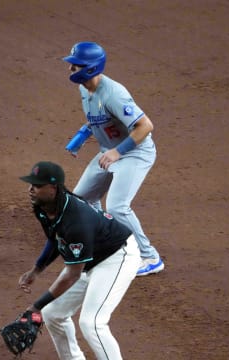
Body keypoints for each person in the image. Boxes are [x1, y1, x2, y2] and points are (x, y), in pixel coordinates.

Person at [18, 161, 141, 360]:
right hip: (91, 258)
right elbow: (55, 237)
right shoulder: (42, 207)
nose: (31, 190)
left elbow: (72, 274)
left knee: (92, 323)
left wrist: (36, 306)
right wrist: (37, 269)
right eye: (30, 184)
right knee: (53, 314)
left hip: (117, 257)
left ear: (53, 188)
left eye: (37, 185)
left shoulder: (76, 221)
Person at [63, 41, 164, 276]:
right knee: (82, 200)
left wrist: (117, 152)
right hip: (110, 150)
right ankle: (105, 240)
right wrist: (80, 137)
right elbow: (97, 118)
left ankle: (150, 257)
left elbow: (145, 126)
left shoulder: (113, 94)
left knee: (118, 206)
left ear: (89, 68)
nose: (70, 70)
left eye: (75, 66)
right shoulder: (84, 88)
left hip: (134, 152)